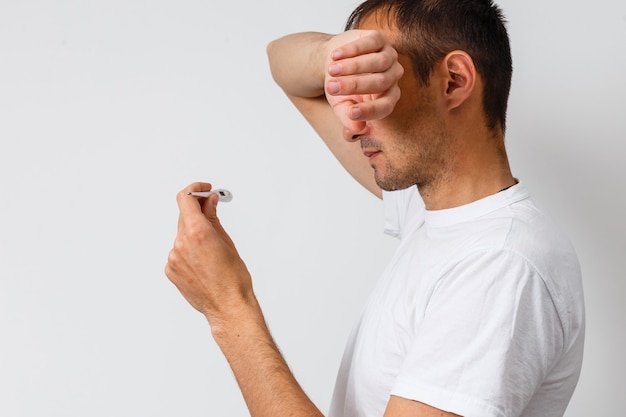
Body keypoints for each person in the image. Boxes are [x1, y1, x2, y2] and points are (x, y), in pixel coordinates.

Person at [165, 0, 585, 416]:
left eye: (371, 90)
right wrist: (335, 55)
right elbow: (282, 60)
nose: (350, 127)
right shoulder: (429, 209)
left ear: (453, 82)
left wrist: (228, 308)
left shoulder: (499, 266)